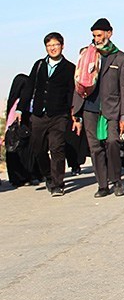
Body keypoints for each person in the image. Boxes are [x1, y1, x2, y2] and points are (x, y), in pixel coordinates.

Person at [71, 18, 124, 198]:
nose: (96, 39)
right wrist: (75, 112)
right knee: (95, 147)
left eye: (99, 35)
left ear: (109, 33)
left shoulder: (120, 58)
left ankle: (117, 180)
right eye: (94, 36)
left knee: (112, 142)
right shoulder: (86, 54)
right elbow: (78, 82)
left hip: (111, 109)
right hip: (89, 108)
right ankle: (102, 185)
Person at [16, 32, 76, 196]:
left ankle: (58, 184)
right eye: (49, 45)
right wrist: (20, 109)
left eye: (55, 45)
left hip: (59, 115)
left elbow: (71, 92)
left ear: (62, 46)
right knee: (37, 148)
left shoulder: (69, 68)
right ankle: (49, 175)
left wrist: (72, 113)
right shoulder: (39, 65)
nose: (52, 48)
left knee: (57, 148)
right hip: (38, 114)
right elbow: (29, 88)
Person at [3, 73, 41, 187]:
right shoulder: (20, 102)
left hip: (17, 134)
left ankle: (20, 178)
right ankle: (28, 177)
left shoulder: (13, 101)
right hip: (22, 133)